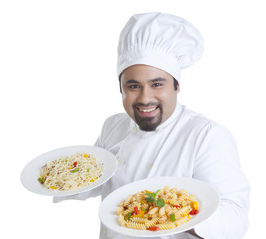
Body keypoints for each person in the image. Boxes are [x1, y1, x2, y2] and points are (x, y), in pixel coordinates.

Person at [54, 12, 250, 239]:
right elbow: (95, 179)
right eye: (133, 86)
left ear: (176, 87)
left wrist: (177, 214)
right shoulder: (113, 126)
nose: (145, 98)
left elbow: (236, 218)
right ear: (121, 89)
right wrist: (60, 179)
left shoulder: (207, 136)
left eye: (157, 84)